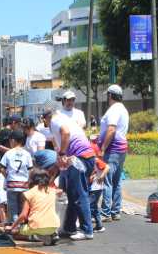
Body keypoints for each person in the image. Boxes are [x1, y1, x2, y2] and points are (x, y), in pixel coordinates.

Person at [50, 109, 96, 240]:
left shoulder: (55, 120)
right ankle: (69, 227)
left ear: (45, 118)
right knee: (71, 193)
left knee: (80, 194)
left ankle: (87, 230)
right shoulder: (66, 119)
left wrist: (63, 154)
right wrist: (58, 164)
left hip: (79, 158)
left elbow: (66, 133)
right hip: (84, 157)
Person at [97, 84, 129, 222]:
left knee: (107, 180)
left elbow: (111, 129)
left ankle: (105, 213)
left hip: (113, 149)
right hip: (121, 148)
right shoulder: (123, 109)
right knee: (116, 180)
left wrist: (103, 147)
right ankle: (115, 211)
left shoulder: (114, 110)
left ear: (110, 95)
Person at [8, 168, 59, 245]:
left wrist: (12, 227)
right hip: (54, 226)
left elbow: (23, 215)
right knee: (44, 226)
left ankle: (35, 237)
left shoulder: (29, 193)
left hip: (36, 226)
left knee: (15, 233)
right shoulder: (53, 191)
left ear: (31, 180)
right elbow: (60, 191)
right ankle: (51, 234)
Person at [0, 129, 32, 221]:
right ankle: (22, 227)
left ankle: (14, 227)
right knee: (22, 207)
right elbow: (30, 169)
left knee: (13, 208)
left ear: (13, 140)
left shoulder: (8, 153)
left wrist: (8, 176)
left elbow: (2, 168)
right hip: (24, 184)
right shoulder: (27, 154)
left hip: (12, 184)